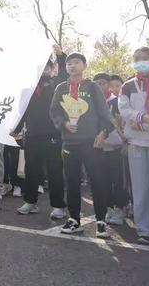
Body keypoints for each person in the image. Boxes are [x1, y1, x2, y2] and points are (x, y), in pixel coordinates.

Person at [50, 52, 115, 238]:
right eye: (69, 63)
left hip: (91, 142)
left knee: (97, 181)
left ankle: (101, 221)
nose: (72, 66)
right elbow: (54, 111)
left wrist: (103, 132)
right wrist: (63, 124)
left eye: (76, 62)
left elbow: (105, 115)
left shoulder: (92, 87)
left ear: (84, 65)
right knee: (71, 182)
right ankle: (74, 220)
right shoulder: (61, 88)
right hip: (70, 143)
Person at [17, 46, 67, 219]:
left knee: (55, 171)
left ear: (52, 69)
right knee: (31, 171)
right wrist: (16, 130)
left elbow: (64, 76)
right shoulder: (27, 89)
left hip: (53, 135)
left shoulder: (57, 85)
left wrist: (60, 56)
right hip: (32, 135)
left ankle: (58, 206)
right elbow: (21, 112)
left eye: (48, 67)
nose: (44, 70)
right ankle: (30, 202)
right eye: (41, 67)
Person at [118, 47, 149, 245]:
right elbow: (124, 110)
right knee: (140, 186)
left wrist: (145, 120)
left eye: (145, 58)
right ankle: (143, 229)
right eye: (137, 59)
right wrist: (143, 119)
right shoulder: (127, 86)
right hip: (135, 141)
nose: (141, 62)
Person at [93, 73, 127, 226]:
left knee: (117, 180)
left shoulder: (117, 101)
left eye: (103, 83)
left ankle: (120, 208)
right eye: (97, 84)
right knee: (103, 180)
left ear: (108, 84)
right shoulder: (91, 102)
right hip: (98, 149)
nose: (100, 87)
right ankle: (108, 208)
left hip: (116, 148)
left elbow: (121, 123)